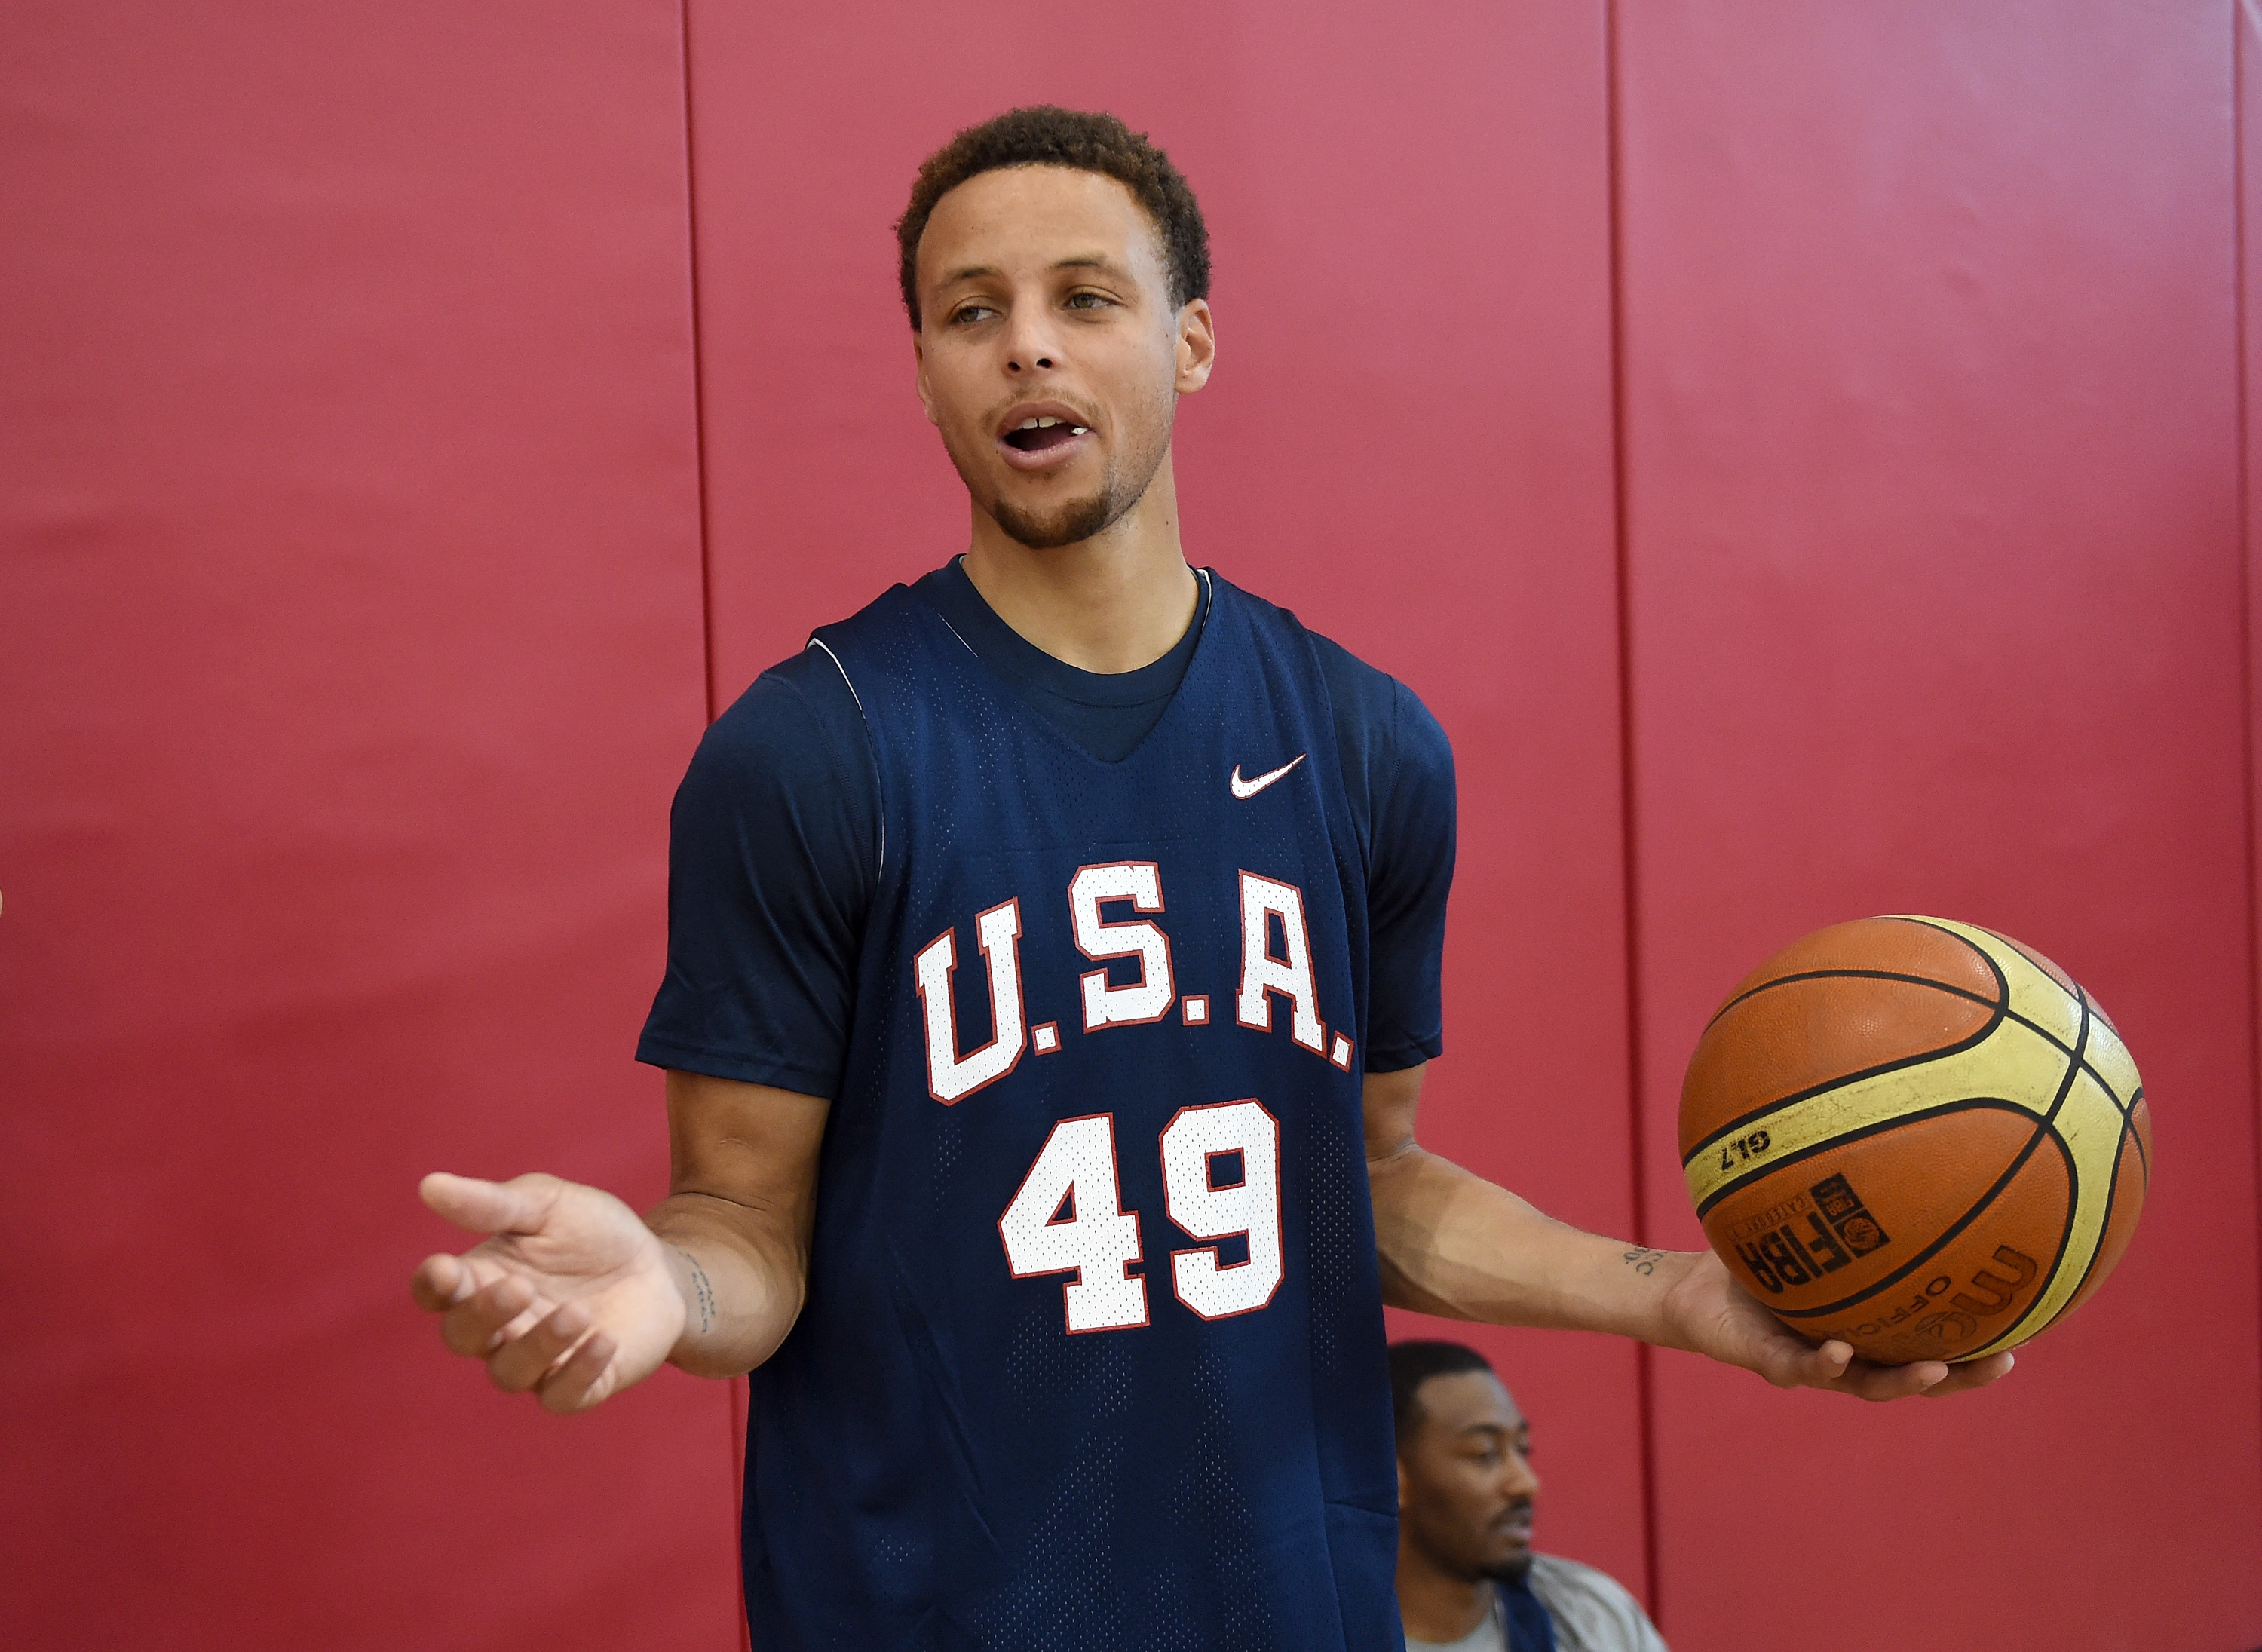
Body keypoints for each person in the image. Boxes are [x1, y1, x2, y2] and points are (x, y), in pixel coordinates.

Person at [409, 106, 2011, 1648]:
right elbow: (745, 1231)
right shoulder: (810, 752)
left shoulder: (1366, 744)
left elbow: (1367, 1180)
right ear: (926, 372)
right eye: (972, 312)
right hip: (929, 1613)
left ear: (1190, 343)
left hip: (1289, 1604)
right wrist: (664, 1286)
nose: (1027, 346)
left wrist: (1684, 1300)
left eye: (1084, 298)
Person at [1392, 1341, 1665, 1652]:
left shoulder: (1592, 1615)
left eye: (1522, 1449)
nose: (1526, 1483)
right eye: (1484, 1453)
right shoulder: (1344, 1632)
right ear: (1391, 1477)